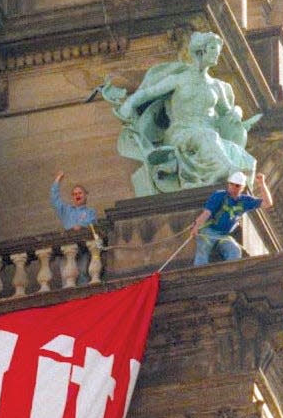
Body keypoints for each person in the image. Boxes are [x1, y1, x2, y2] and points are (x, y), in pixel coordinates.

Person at [101, 32, 260, 195]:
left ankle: (228, 173)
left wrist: (238, 113)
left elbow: (227, 112)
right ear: (201, 50)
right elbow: (148, 93)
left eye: (218, 50)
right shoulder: (179, 79)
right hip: (180, 132)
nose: (216, 54)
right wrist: (128, 105)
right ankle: (230, 171)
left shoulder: (218, 86)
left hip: (206, 131)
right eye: (213, 48)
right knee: (208, 137)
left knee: (215, 140)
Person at [190, 171, 272, 266]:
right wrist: (196, 226)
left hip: (223, 236)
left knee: (235, 251)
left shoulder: (245, 201)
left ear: (242, 187)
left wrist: (262, 184)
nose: (233, 187)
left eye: (237, 185)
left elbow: (268, 203)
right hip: (208, 232)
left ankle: (229, 273)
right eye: (231, 184)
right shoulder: (219, 195)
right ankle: (200, 275)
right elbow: (207, 213)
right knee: (203, 249)